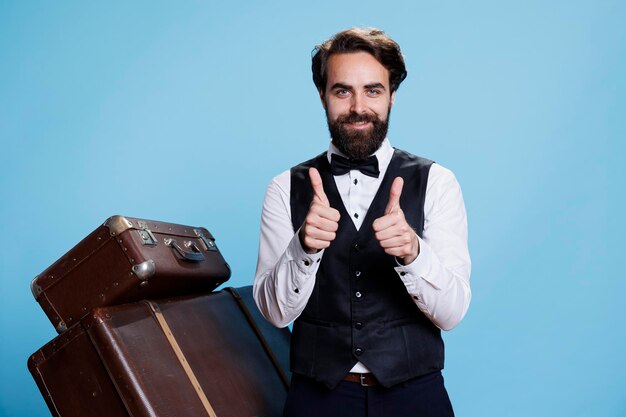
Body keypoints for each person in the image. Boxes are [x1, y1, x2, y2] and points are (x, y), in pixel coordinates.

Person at [253, 27, 471, 417]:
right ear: (322, 95)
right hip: (317, 399)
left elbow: (452, 313)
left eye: (372, 90)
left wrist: (413, 252)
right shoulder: (284, 187)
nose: (358, 107)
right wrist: (302, 248)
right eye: (342, 91)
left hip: (415, 396)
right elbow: (273, 313)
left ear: (391, 95)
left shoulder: (438, 181)